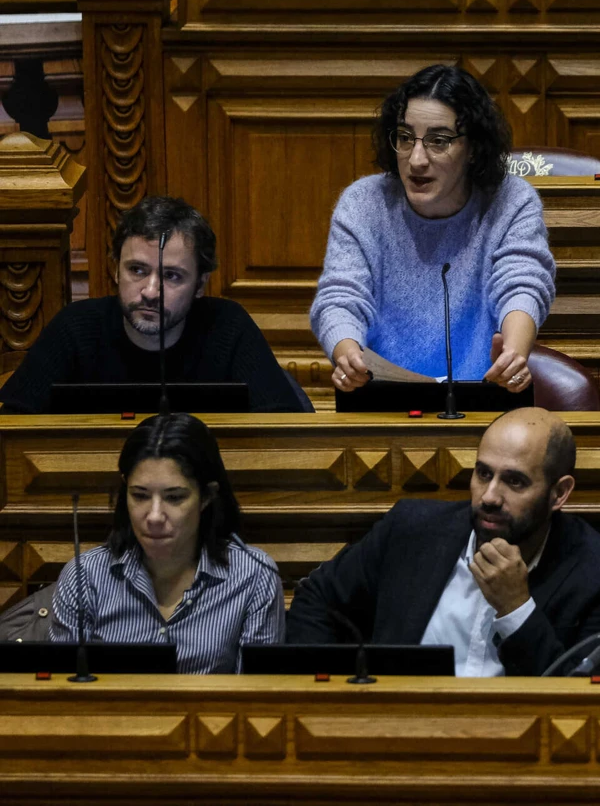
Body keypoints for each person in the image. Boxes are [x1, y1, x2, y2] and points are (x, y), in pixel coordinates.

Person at [286, 407, 600, 677]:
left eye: (514, 482)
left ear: (559, 494)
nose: (490, 496)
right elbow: (317, 600)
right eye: (483, 474)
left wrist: (517, 610)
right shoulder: (411, 531)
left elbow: (586, 705)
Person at [311, 64, 555, 396]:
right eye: (405, 138)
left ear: (472, 148)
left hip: (482, 397)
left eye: (439, 141)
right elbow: (341, 297)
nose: (416, 159)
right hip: (382, 396)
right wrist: (347, 354)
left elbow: (522, 282)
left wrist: (513, 353)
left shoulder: (511, 201)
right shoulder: (364, 204)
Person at [0, 196, 305, 413]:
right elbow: (13, 426)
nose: (150, 291)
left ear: (200, 285)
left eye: (172, 276)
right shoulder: (75, 329)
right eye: (137, 270)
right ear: (115, 270)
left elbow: (283, 428)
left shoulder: (228, 326)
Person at [49, 413, 285, 673]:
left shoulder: (254, 575)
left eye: (174, 497)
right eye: (140, 496)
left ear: (207, 496)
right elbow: (63, 697)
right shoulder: (85, 575)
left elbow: (257, 698)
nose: (154, 516)